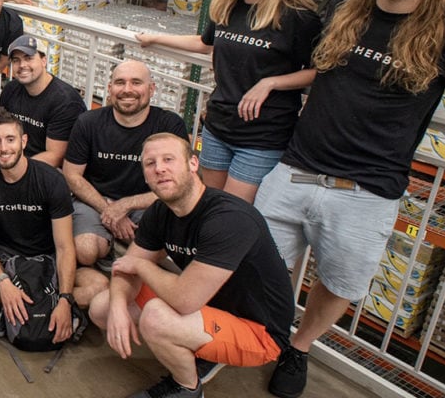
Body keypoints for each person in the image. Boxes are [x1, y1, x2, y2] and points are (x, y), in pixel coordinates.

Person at [254, 0, 445, 398]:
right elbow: (317, 71)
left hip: (367, 191)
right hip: (293, 171)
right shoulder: (344, 7)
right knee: (256, 262)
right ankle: (264, 332)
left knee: (340, 283)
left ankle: (298, 347)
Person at [89, 133, 294, 398]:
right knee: (102, 308)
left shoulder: (228, 219)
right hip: (209, 304)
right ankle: (201, 345)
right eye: (150, 164)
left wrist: (142, 267)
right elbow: (125, 268)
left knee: (155, 317)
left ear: (193, 164)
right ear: (146, 177)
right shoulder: (161, 212)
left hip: (258, 330)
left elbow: (183, 299)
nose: (159, 168)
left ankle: (187, 387)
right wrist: (118, 307)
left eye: (168, 159)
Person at [137, 0, 321, 204]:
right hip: (218, 126)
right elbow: (206, 42)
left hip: (261, 136)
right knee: (207, 203)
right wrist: (156, 38)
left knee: (232, 212)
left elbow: (319, 72)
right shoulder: (229, 6)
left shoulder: (297, 17)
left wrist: (271, 82)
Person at [0, 111, 83, 336]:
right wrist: (3, 283)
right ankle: (26, 308)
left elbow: (65, 246)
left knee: (97, 287)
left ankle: (17, 311)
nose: (3, 148)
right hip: (9, 257)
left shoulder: (52, 180)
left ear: (24, 141)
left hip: (47, 260)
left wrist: (65, 298)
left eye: (10, 139)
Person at [63, 60, 188, 268]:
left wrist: (126, 205)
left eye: (136, 83)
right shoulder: (88, 122)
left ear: (151, 89)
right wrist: (109, 210)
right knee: (86, 251)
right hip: (96, 200)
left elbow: (181, 183)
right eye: (120, 83)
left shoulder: (169, 125)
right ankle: (114, 246)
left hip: (146, 204)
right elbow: (71, 175)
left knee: (160, 249)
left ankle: (117, 250)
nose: (127, 90)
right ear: (110, 89)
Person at [0, 34, 86, 167]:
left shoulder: (65, 101)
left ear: (44, 61)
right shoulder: (10, 89)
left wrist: (15, 168)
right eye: (16, 60)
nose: (22, 65)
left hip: (47, 171)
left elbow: (55, 156)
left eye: (29, 58)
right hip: (13, 160)